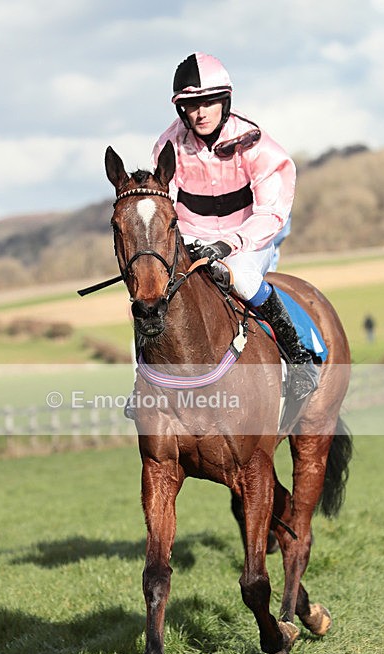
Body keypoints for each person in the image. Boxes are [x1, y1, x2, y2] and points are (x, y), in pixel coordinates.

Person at [151, 52, 318, 400]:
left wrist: (231, 244)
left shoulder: (256, 143)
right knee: (152, 293)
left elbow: (272, 212)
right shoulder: (169, 147)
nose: (200, 112)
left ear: (225, 101)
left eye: (209, 102)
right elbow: (162, 204)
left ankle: (299, 357)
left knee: (241, 278)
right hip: (192, 237)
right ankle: (144, 381)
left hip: (247, 239)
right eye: (192, 104)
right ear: (181, 108)